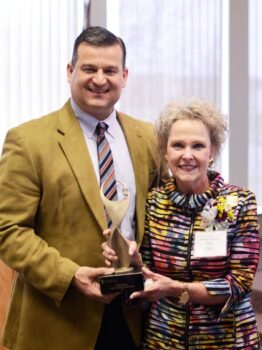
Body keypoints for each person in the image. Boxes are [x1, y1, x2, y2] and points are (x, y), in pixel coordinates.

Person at [0, 26, 157, 350]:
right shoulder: (29, 141)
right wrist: (70, 276)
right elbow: (8, 229)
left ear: (124, 75)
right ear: (70, 71)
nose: (100, 79)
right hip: (60, 317)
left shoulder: (148, 138)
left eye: (110, 70)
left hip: (134, 319)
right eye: (89, 68)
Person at [103, 97, 261, 349]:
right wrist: (132, 264)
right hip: (163, 340)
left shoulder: (238, 203)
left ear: (213, 152)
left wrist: (175, 288)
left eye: (198, 146)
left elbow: (239, 283)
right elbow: (147, 277)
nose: (187, 155)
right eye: (178, 145)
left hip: (225, 340)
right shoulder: (153, 202)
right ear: (165, 152)